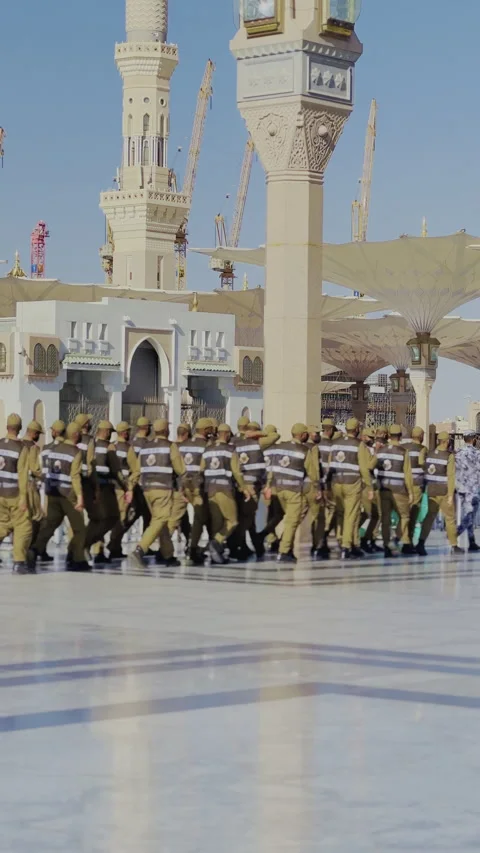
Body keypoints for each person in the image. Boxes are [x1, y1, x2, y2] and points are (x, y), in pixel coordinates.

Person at [29, 422, 89, 572]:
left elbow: (44, 471)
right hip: (68, 496)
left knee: (49, 526)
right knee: (79, 529)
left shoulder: (52, 449)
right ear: (75, 435)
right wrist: (80, 497)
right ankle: (77, 559)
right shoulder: (75, 452)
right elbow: (75, 476)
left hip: (52, 494)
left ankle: (34, 550)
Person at [130, 418, 186, 569]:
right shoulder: (170, 446)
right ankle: (140, 550)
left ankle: (168, 555)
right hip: (163, 488)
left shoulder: (145, 447)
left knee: (160, 521)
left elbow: (136, 470)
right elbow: (180, 469)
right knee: (160, 519)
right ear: (166, 430)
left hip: (147, 489)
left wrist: (130, 487)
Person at [264, 423, 321, 564]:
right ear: (302, 435)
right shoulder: (304, 450)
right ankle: (284, 552)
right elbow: (312, 472)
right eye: (306, 433)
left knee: (287, 519)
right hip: (294, 490)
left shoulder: (280, 447)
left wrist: (269, 485)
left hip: (279, 488)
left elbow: (273, 468)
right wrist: (317, 488)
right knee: (292, 521)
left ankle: (287, 548)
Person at [200, 423, 250, 564]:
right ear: (227, 434)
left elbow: (201, 470)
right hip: (225, 490)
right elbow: (236, 472)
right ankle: (215, 542)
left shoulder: (207, 450)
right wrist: (244, 488)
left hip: (210, 490)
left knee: (217, 523)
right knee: (232, 521)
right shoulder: (230, 449)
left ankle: (216, 553)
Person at [328, 417, 375, 559]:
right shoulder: (359, 445)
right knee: (351, 515)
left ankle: (349, 541)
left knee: (341, 513)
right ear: (356, 429)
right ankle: (346, 546)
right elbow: (364, 468)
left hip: (336, 482)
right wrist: (370, 486)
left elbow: (330, 464)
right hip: (352, 483)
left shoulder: (335, 444)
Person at [85, 420, 132, 563]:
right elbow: (116, 470)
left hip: (93, 486)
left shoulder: (91, 443)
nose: (111, 435)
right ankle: (86, 544)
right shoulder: (109, 446)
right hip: (103, 487)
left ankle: (97, 550)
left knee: (99, 519)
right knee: (111, 517)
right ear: (106, 432)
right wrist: (126, 487)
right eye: (110, 432)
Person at [418, 431, 464, 556]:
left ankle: (421, 543)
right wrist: (450, 495)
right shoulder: (449, 456)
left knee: (429, 517)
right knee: (450, 519)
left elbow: (422, 464)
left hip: (432, 490)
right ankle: (454, 546)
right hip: (444, 492)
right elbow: (451, 476)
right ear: (447, 441)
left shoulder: (429, 454)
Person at [0, 414, 34, 574]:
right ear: (20, 428)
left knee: (2, 525)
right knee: (23, 527)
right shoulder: (21, 448)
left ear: (7, 427)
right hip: (14, 494)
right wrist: (23, 498)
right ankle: (19, 563)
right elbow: (22, 474)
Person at [176, 418, 211, 565]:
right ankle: (193, 549)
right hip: (199, 487)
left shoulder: (183, 446)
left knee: (197, 517)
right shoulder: (207, 446)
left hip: (184, 486)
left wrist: (180, 487)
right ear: (205, 430)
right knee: (200, 518)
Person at [376, 424, 414, 557]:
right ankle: (396, 539)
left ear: (388, 435)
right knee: (405, 516)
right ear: (400, 436)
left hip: (383, 489)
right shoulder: (403, 451)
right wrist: (411, 492)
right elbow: (407, 474)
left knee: (385, 519)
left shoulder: (380, 451)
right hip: (399, 490)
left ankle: (387, 546)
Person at [108, 421, 140, 559]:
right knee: (122, 517)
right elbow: (136, 470)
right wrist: (130, 486)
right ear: (125, 433)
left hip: (110, 487)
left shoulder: (111, 446)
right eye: (128, 431)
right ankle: (114, 546)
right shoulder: (128, 448)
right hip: (122, 488)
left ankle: (113, 545)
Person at [37, 419, 66, 562]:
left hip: (47, 487)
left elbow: (42, 469)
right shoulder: (68, 448)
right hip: (64, 489)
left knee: (47, 521)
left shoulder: (45, 448)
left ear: (54, 432)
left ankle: (40, 549)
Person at [402, 426, 428, 544]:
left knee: (404, 512)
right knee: (413, 512)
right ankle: (408, 540)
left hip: (403, 484)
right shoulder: (423, 449)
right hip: (416, 485)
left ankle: (401, 536)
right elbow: (423, 463)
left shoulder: (403, 447)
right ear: (421, 436)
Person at [455, 430, 480, 551]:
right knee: (471, 514)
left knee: (467, 512)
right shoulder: (477, 453)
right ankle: (456, 532)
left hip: (461, 488)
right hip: (473, 489)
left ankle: (471, 541)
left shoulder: (458, 453)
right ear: (474, 439)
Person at [359, 426, 381, 553]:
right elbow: (369, 466)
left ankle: (368, 539)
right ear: (363, 437)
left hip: (373, 484)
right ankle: (354, 537)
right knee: (368, 514)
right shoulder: (364, 449)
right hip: (366, 486)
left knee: (376, 515)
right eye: (370, 438)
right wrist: (377, 453)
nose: (372, 440)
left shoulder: (369, 449)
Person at [22, 420, 44, 547]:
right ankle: (31, 546)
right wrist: (44, 475)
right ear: (34, 433)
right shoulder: (33, 447)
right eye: (38, 434)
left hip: (15, 485)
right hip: (29, 486)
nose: (38, 437)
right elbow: (35, 468)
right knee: (37, 516)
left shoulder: (18, 443)